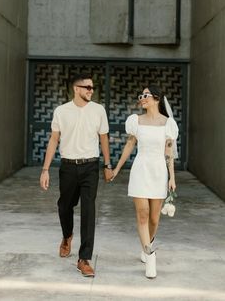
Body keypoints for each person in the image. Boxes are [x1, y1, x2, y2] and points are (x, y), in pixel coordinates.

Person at [40, 73, 113, 277]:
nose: (91, 90)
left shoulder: (98, 110)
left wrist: (107, 165)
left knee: (89, 210)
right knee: (65, 205)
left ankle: (84, 259)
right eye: (87, 87)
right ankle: (67, 236)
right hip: (68, 167)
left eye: (92, 87)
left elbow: (104, 138)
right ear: (76, 89)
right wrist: (45, 170)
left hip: (91, 166)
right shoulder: (61, 111)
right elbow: (54, 140)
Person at [112, 85, 178, 279]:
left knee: (154, 219)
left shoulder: (168, 124)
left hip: (158, 172)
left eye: (146, 95)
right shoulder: (136, 121)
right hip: (140, 170)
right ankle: (150, 255)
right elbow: (129, 145)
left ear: (156, 98)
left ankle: (146, 245)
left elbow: (168, 153)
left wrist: (172, 177)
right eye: (141, 95)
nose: (142, 98)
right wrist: (116, 168)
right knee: (143, 214)